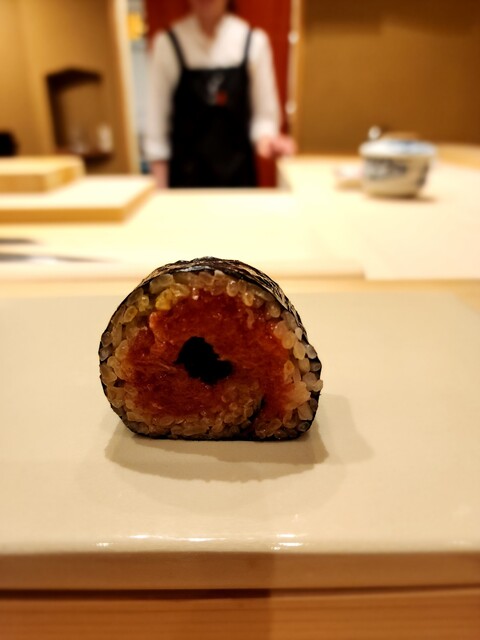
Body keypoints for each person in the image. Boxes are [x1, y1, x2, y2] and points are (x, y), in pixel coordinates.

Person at [144, 0, 295, 188]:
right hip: (185, 184)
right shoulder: (166, 44)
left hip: (239, 183)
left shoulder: (254, 41)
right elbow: (157, 135)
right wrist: (161, 197)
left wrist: (269, 142)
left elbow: (264, 120)